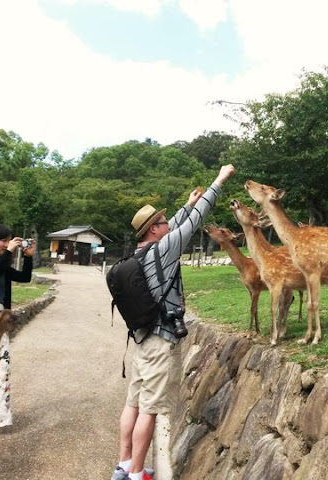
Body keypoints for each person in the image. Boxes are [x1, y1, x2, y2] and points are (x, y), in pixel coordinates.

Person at [112, 164, 236, 480]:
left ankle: (125, 462)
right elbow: (192, 223)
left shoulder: (140, 254)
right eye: (163, 222)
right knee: (150, 410)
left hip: (141, 340)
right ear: (154, 229)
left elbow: (180, 222)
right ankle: (138, 473)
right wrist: (218, 181)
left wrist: (188, 203)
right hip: (159, 341)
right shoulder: (165, 249)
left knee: (134, 403)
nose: (169, 224)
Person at [0, 224, 36, 432]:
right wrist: (10, 252)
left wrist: (29, 257)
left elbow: (24, 278)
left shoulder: (2, 262)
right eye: (2, 240)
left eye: (9, 240)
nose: (6, 244)